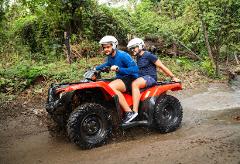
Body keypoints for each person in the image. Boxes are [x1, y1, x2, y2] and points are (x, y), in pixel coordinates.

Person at [124, 38, 181, 123]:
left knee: (135, 84)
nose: (132, 50)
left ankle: (134, 112)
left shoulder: (149, 55)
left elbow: (161, 66)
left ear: (140, 46)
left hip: (150, 78)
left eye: (134, 48)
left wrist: (173, 77)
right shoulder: (138, 57)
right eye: (131, 49)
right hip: (142, 78)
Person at [95, 35, 139, 122]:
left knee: (111, 87)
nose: (106, 49)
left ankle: (129, 112)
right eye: (104, 47)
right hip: (121, 78)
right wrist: (95, 69)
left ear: (114, 46)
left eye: (108, 47)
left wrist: (119, 69)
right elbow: (107, 64)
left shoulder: (123, 55)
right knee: (102, 84)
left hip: (131, 79)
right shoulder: (110, 56)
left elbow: (135, 69)